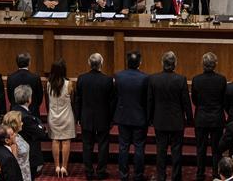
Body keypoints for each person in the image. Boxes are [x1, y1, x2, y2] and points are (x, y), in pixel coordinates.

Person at [149, 51, 193, 181]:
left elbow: (150, 101)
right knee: (176, 151)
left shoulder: (154, 79)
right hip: (176, 120)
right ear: (175, 64)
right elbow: (186, 102)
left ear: (162, 63)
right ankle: (176, 177)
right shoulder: (181, 79)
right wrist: (190, 119)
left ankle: (161, 177)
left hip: (160, 120)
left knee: (160, 151)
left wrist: (149, 118)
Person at [76, 53, 116, 180]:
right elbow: (112, 102)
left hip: (86, 117)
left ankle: (88, 171)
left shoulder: (82, 78)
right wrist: (111, 118)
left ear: (89, 63)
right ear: (101, 64)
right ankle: (101, 171)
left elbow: (78, 100)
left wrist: (78, 117)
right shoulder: (108, 80)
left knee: (87, 145)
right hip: (103, 117)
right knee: (103, 145)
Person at [192, 52, 227, 181]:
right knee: (216, 149)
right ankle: (216, 173)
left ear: (203, 64)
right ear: (215, 64)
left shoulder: (196, 79)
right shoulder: (221, 79)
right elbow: (223, 100)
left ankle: (200, 173)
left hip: (201, 118)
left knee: (200, 148)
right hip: (217, 118)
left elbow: (195, 100)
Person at [115, 51, 149, 181]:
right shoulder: (145, 78)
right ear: (140, 63)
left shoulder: (119, 76)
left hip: (123, 117)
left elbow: (116, 96)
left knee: (123, 147)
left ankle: (123, 175)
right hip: (139, 117)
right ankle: (138, 175)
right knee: (139, 147)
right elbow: (147, 99)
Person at [11, 84, 48, 180]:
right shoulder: (26, 117)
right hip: (28, 155)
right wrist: (38, 123)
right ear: (29, 99)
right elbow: (41, 133)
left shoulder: (13, 110)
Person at [47, 58, 75, 177]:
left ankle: (57, 166)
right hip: (67, 116)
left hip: (53, 116)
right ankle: (64, 167)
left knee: (55, 140)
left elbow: (47, 101)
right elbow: (73, 102)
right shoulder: (69, 84)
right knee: (66, 141)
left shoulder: (48, 84)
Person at [7, 53, 44, 117]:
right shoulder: (35, 78)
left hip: (15, 114)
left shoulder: (11, 77)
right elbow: (40, 98)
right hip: (32, 112)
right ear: (29, 63)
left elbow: (10, 97)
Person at [3, 111, 32, 181]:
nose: (22, 123)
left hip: (26, 172)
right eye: (20, 121)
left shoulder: (18, 136)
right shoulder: (12, 141)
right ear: (14, 124)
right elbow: (13, 164)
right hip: (20, 175)